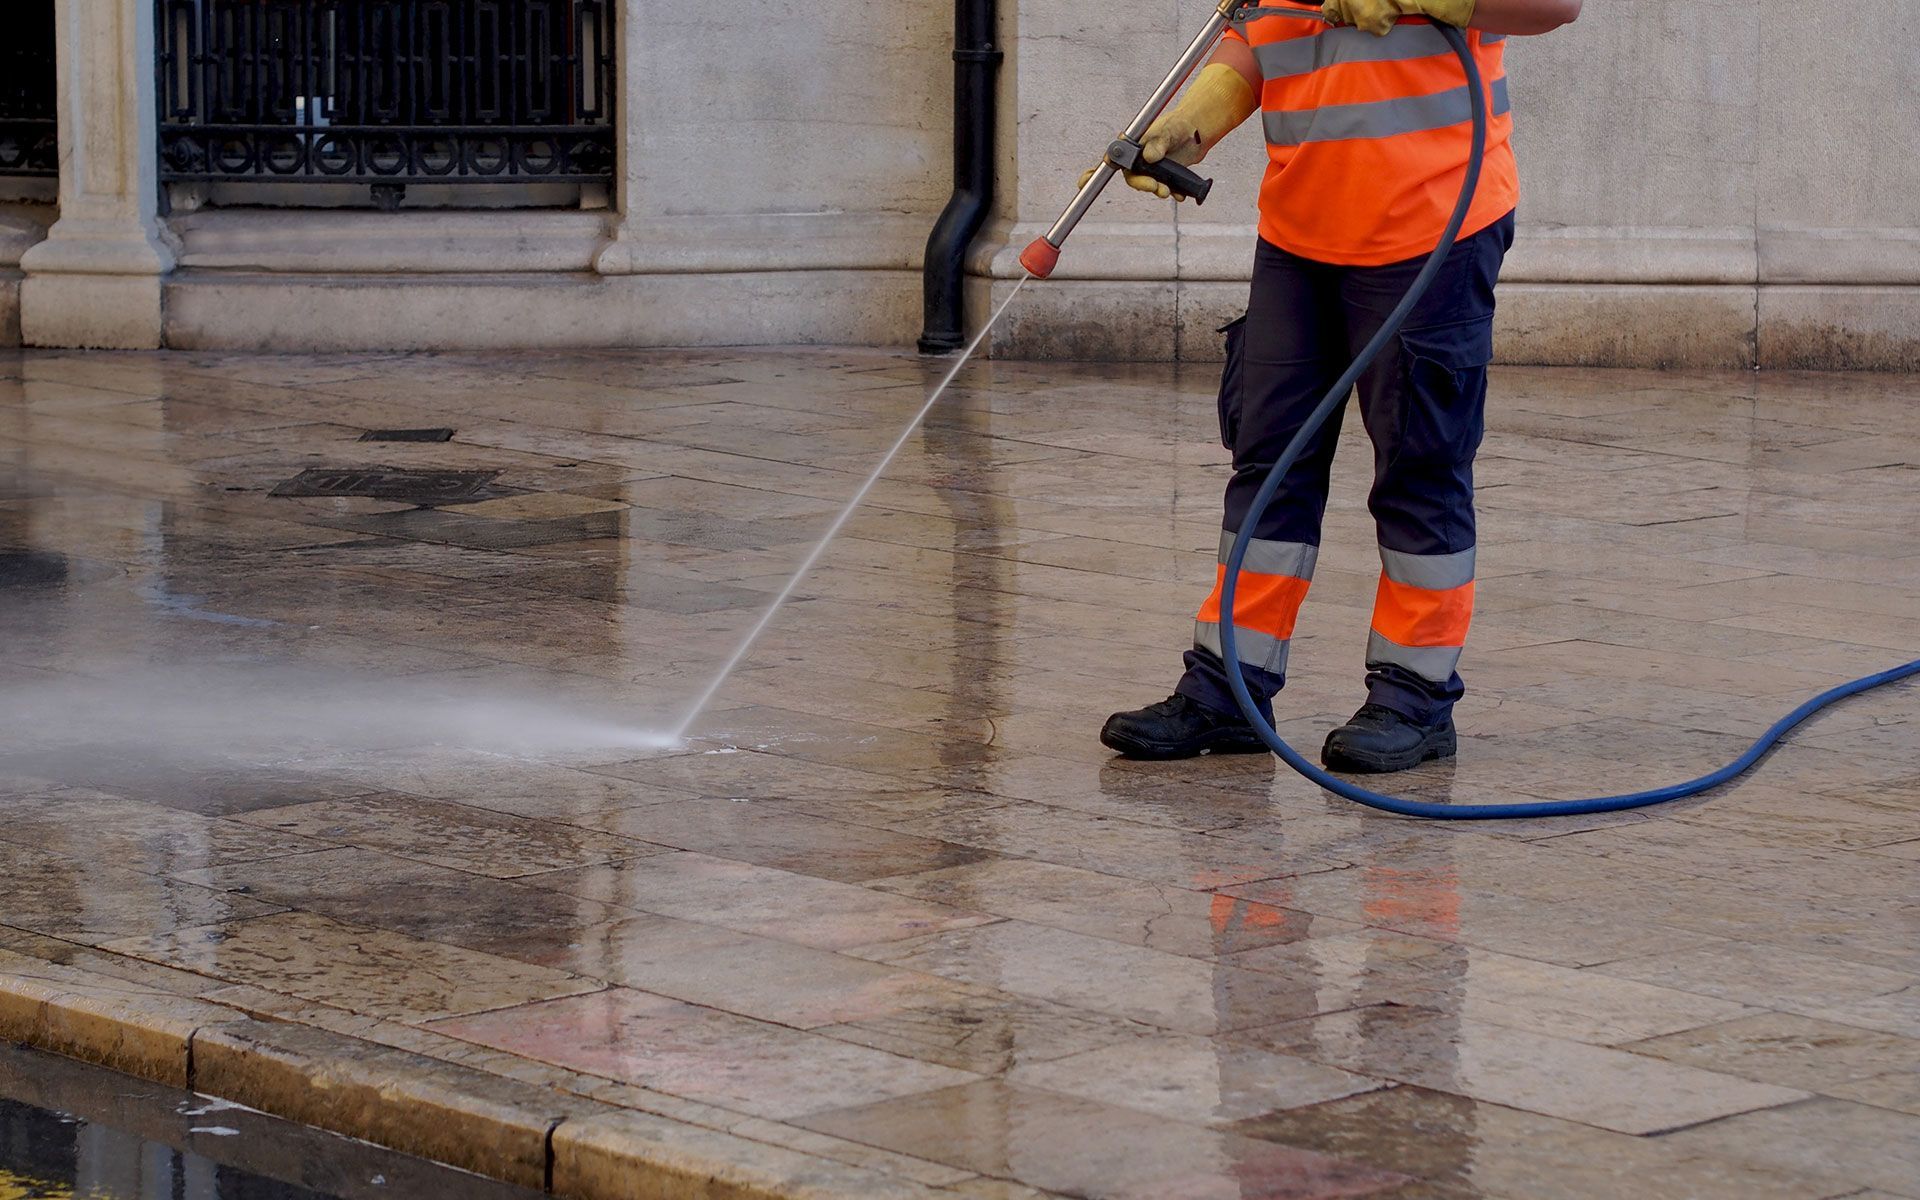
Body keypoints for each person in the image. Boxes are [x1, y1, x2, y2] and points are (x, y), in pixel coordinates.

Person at [1100, 0, 1582, 771]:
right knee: (1268, 461)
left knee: (1420, 465)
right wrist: (1191, 121)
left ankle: (1414, 698)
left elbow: (1555, 5)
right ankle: (1228, 688)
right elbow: (1265, 37)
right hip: (1299, 230)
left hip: (1432, 224)